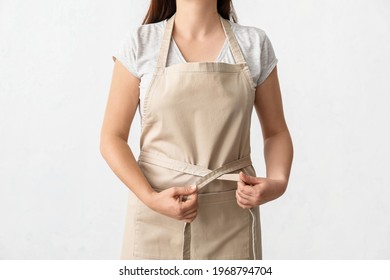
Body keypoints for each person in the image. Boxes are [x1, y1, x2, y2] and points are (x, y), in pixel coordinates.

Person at [100, 0, 293, 260]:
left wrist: (278, 182)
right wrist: (151, 198)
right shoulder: (140, 43)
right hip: (155, 213)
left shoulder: (254, 43)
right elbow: (112, 137)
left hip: (231, 215)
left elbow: (276, 131)